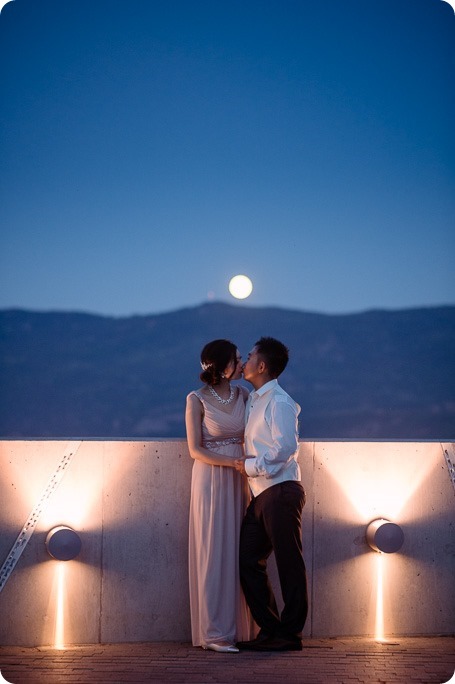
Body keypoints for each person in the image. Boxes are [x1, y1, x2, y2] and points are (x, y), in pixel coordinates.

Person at [234, 336, 308, 652]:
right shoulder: (253, 399)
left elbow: (286, 448)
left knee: (290, 562)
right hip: (262, 495)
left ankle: (289, 635)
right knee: (249, 560)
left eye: (248, 357)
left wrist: (250, 466)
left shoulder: (279, 402)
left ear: (261, 365)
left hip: (280, 492)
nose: (244, 361)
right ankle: (272, 629)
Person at [185, 339, 252, 653]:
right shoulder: (196, 399)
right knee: (213, 550)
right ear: (223, 364)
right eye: (237, 359)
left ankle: (238, 629)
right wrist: (232, 463)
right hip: (212, 478)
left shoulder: (244, 394)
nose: (242, 364)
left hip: (241, 480)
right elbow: (195, 449)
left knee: (239, 550)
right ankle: (214, 633)